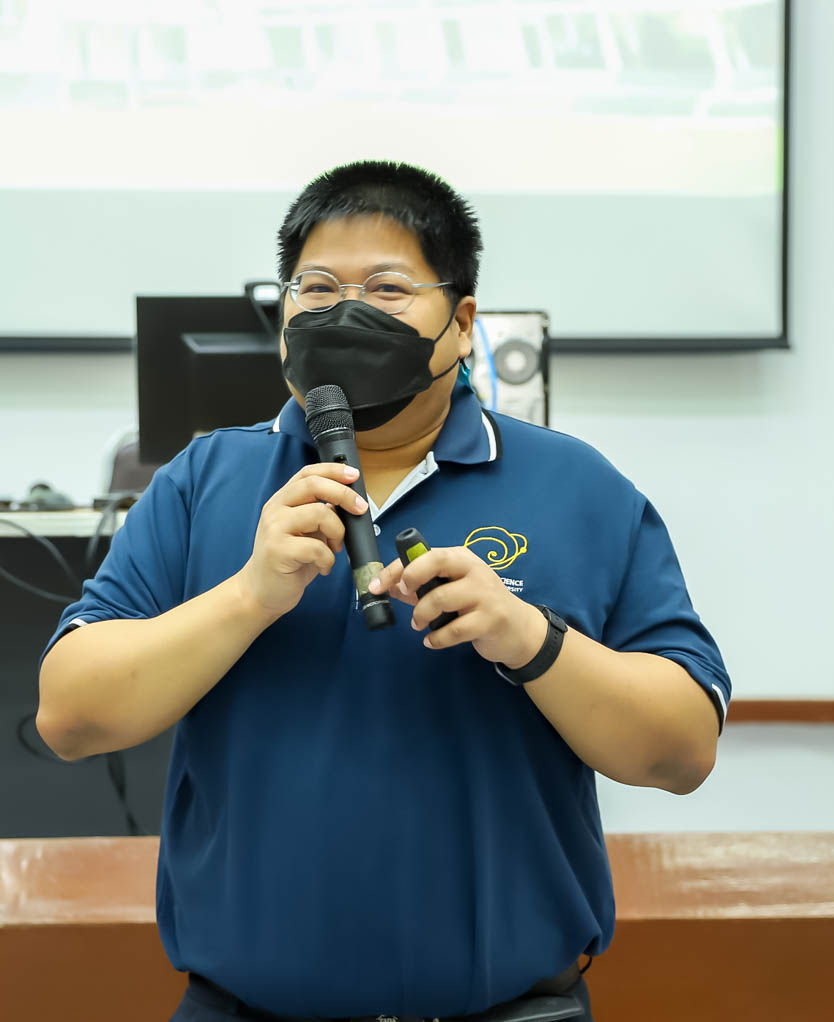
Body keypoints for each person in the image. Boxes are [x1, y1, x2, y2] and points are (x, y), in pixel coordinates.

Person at [38, 161, 731, 1022]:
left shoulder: (579, 488)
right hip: (243, 1010)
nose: (344, 314)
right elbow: (70, 717)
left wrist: (531, 640)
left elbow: (681, 754)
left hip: (511, 1010)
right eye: (317, 289)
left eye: (388, 289)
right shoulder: (202, 481)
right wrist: (249, 596)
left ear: (462, 323)